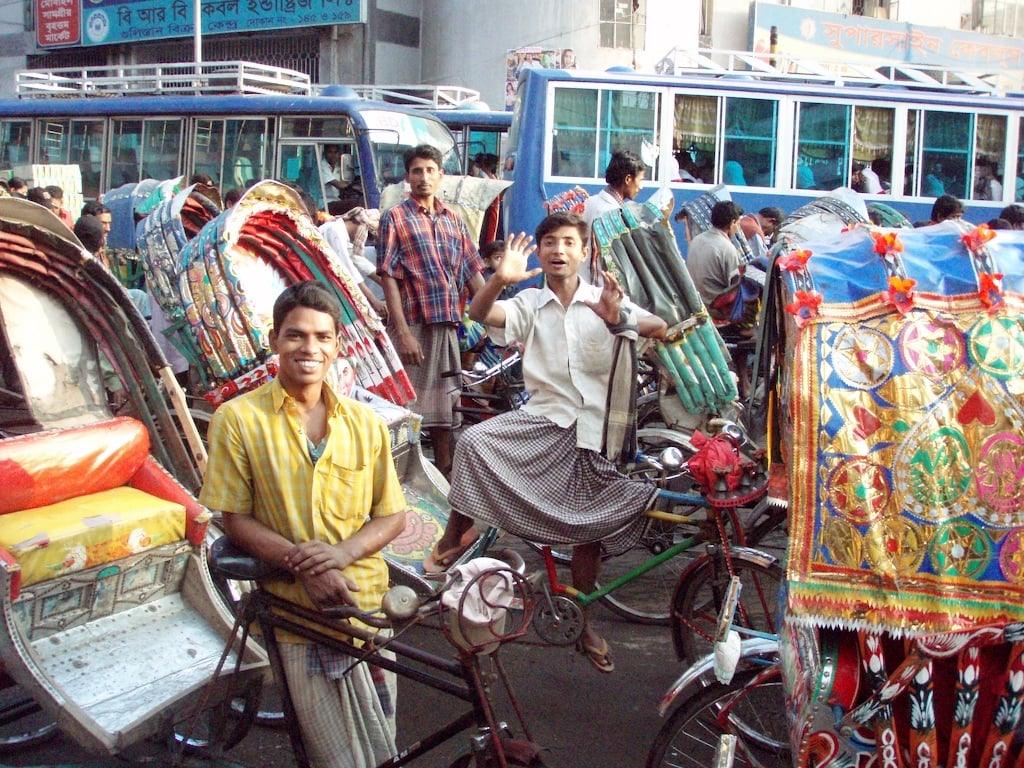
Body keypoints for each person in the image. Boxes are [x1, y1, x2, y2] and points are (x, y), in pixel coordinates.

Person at [424, 212, 667, 673]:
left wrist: (621, 320)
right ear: (538, 252)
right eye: (549, 242)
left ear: (582, 251)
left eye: (568, 242)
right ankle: (458, 532)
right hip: (546, 421)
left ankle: (585, 621)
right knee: (474, 441)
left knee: (588, 536)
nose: (558, 250)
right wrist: (498, 278)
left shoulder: (603, 298)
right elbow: (478, 314)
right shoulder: (529, 302)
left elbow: (657, 326)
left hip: (600, 430)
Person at [199, 280, 408, 768]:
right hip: (295, 613)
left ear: (337, 345)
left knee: (383, 746)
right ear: (275, 340)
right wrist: (307, 566)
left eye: (321, 337)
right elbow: (236, 518)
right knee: (333, 757)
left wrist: (339, 556)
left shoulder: (366, 422)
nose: (308, 348)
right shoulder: (237, 419)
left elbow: (392, 515)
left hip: (367, 609)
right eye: (295, 335)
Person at [378, 144, 485, 479]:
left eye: (429, 170)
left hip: (448, 328)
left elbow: (473, 275)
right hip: (413, 327)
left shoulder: (454, 220)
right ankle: (399, 481)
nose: (423, 177)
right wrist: (404, 333)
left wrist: (501, 320)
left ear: (441, 175)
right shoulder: (395, 218)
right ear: (407, 178)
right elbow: (389, 277)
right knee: (404, 412)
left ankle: (444, 481)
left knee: (445, 414)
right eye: (416, 171)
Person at [686, 200, 757, 399]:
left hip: (697, 304)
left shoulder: (697, 240)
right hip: (716, 311)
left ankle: (744, 380)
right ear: (732, 223)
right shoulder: (727, 248)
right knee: (751, 322)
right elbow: (735, 286)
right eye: (737, 224)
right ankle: (744, 380)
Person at [582, 149, 647, 283]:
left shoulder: (591, 202)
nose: (641, 186)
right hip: (599, 291)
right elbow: (607, 263)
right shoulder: (613, 214)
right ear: (628, 179)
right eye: (640, 180)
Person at [319, 214, 387, 318]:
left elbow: (359, 261)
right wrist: (374, 301)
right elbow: (348, 270)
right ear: (360, 227)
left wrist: (391, 287)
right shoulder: (334, 230)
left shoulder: (341, 234)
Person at [321, 143, 358, 215]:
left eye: (336, 152)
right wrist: (355, 188)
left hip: (336, 201)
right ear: (325, 153)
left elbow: (347, 182)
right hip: (324, 203)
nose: (333, 155)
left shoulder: (340, 167)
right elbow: (338, 185)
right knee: (353, 204)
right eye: (330, 152)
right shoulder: (322, 166)